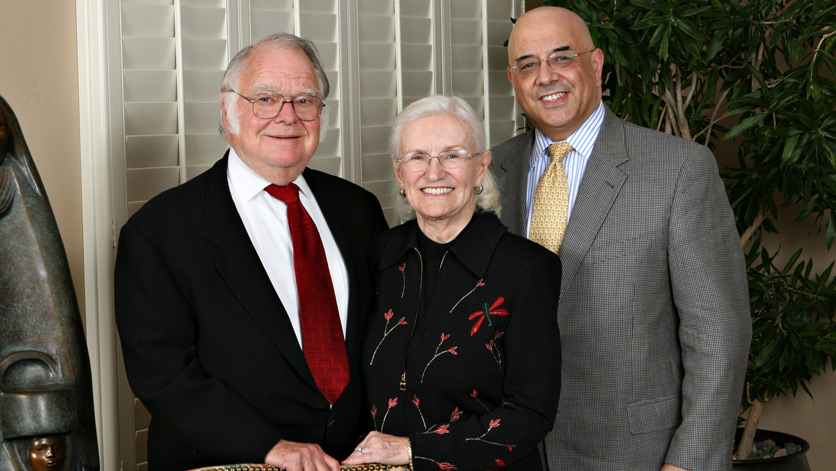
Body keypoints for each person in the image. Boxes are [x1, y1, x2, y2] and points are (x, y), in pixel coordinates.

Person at [490, 6, 753, 471]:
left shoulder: (678, 170)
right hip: (511, 453)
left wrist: (689, 462)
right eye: (528, 65)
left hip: (635, 454)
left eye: (562, 57)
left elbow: (718, 336)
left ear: (595, 64)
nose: (546, 76)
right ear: (514, 80)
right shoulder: (489, 172)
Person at [114, 34, 388, 471]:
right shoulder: (159, 231)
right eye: (266, 98)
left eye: (305, 100)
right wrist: (269, 446)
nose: (288, 116)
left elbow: (387, 338)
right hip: (228, 461)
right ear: (229, 110)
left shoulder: (359, 210)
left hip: (354, 460)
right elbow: (163, 375)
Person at [341, 95, 562, 471]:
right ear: (399, 173)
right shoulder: (378, 257)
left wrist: (413, 450)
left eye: (452, 155)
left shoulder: (526, 268)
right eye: (417, 157)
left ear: (481, 168)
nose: (434, 172)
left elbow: (531, 412)